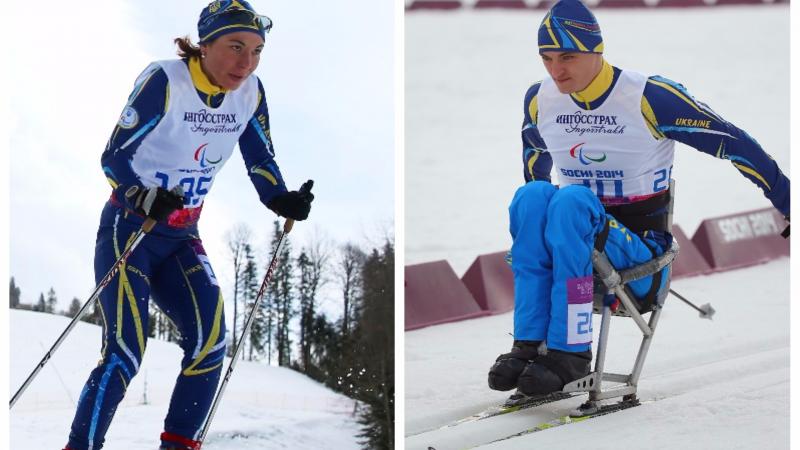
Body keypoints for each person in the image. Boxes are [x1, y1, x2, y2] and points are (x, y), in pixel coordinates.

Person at [487, 0, 789, 398]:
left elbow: (735, 143)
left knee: (571, 202)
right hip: (575, 239)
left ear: (597, 50)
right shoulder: (540, 99)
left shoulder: (648, 96)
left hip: (641, 258)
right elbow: (533, 166)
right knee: (531, 197)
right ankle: (528, 345)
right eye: (546, 58)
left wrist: (788, 202)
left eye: (568, 57)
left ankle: (572, 351)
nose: (556, 70)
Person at [63, 2, 314, 449]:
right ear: (205, 45)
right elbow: (114, 156)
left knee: (210, 343)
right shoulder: (166, 80)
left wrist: (281, 197)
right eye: (235, 47)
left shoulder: (250, 92)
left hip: (182, 236)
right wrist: (142, 194)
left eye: (257, 50)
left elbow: (260, 158)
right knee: (125, 352)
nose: (246, 62)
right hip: (131, 228)